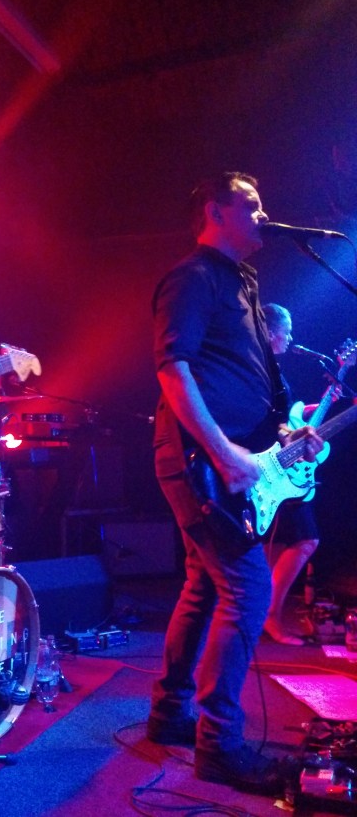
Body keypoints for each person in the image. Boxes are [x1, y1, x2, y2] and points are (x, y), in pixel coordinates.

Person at [146, 172, 324, 794]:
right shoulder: (193, 278)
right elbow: (174, 369)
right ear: (216, 212)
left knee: (203, 585)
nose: (264, 212)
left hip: (234, 459)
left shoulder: (242, 283)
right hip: (200, 463)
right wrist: (223, 454)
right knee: (247, 591)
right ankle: (219, 744)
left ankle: (171, 713)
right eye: (249, 204)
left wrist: (285, 435)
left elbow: (252, 379)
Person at [262, 303, 321, 645]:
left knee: (279, 543)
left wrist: (311, 411)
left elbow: (286, 417)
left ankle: (262, 613)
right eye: (287, 331)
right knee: (305, 540)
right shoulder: (264, 371)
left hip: (280, 469)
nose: (291, 338)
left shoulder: (273, 372)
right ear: (271, 333)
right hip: (276, 469)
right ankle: (269, 616)